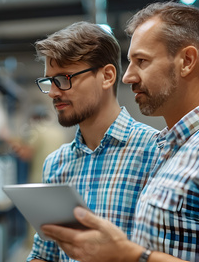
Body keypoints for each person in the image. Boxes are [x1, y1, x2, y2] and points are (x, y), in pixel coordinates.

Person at [40, 2, 199, 262]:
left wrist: (130, 255)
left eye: (141, 61)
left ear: (187, 61)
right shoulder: (172, 149)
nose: (128, 77)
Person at [27, 21, 160, 261]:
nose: (55, 92)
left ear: (107, 76)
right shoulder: (56, 164)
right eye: (49, 81)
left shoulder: (156, 151)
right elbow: (45, 253)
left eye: (64, 78)